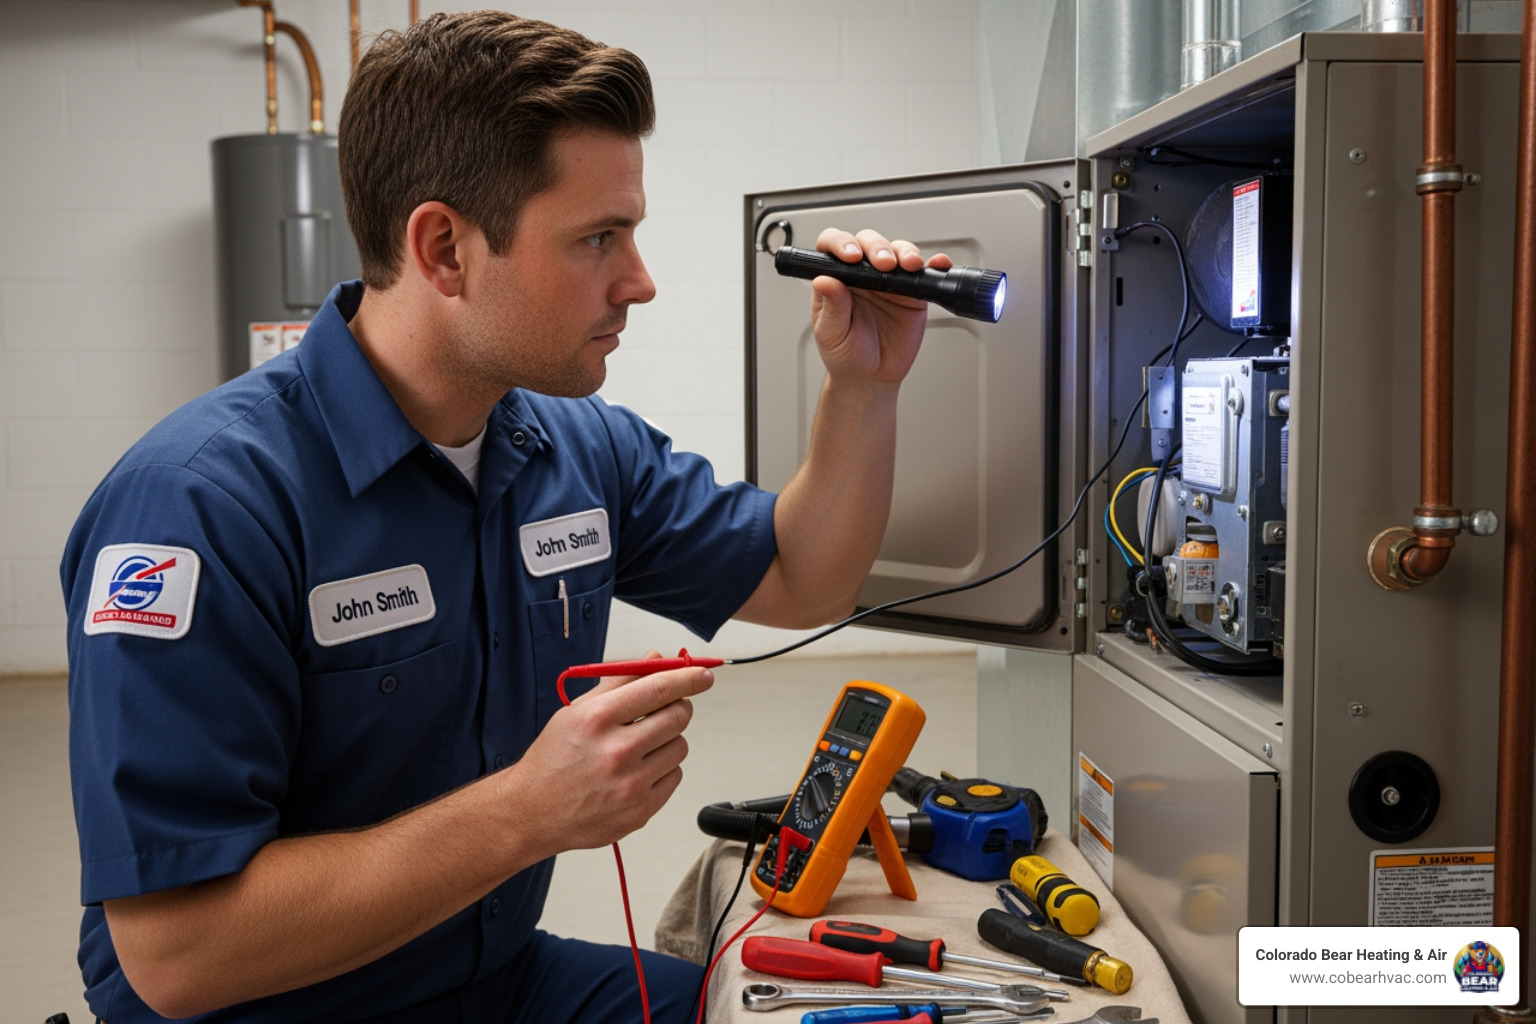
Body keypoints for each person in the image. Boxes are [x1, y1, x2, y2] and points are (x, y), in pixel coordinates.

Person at [60, 11, 948, 1023]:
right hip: (268, 1010)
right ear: (443, 248)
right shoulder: (202, 506)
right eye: (597, 239)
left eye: (633, 231)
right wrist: (529, 812)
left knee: (784, 1008)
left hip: (483, 979)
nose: (640, 282)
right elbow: (178, 954)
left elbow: (803, 577)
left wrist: (864, 387)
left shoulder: (574, 449)